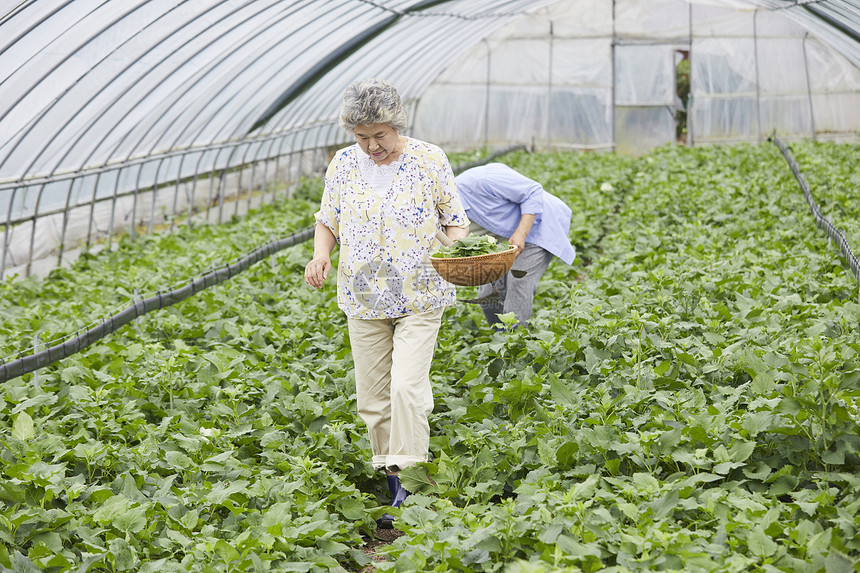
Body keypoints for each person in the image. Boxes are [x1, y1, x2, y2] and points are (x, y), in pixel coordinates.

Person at [304, 79, 469, 529]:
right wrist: (321, 255)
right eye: (362, 137)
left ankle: (413, 486)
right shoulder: (342, 164)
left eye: (380, 135)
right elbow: (327, 219)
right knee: (373, 403)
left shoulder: (429, 159)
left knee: (406, 388)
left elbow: (454, 222)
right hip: (362, 297)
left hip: (420, 294)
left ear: (397, 126)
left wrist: (455, 255)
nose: (371, 146)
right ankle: (395, 482)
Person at [454, 163, 576, 328]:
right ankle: (502, 342)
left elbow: (533, 191)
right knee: (488, 293)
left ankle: (515, 343)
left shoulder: (482, 180)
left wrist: (521, 233)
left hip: (538, 226)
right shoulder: (445, 207)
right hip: (504, 237)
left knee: (518, 280)